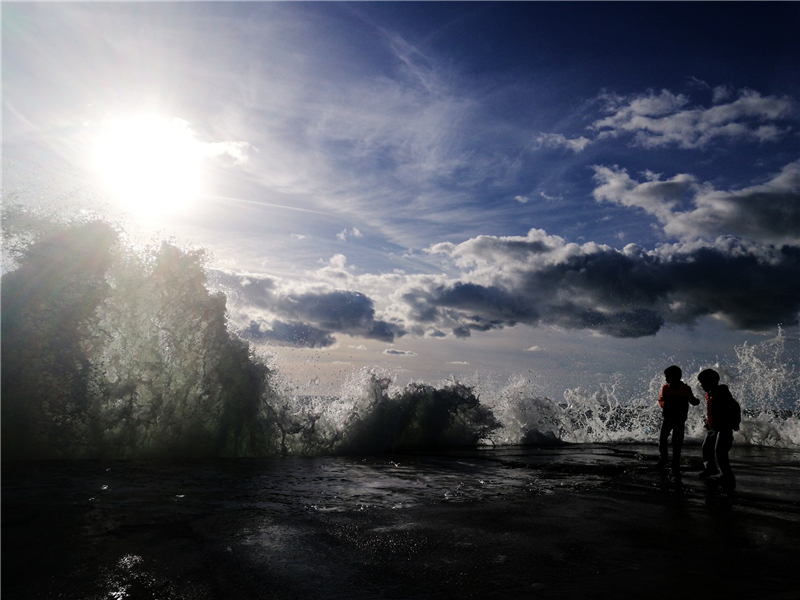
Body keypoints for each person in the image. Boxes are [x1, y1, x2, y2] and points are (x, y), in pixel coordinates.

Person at [656, 365, 700, 475]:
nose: (666, 379)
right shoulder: (665, 388)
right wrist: (663, 404)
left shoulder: (685, 389)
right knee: (662, 439)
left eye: (667, 377)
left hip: (680, 419)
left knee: (677, 442)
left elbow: (692, 400)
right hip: (667, 418)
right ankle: (664, 458)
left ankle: (675, 463)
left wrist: (697, 401)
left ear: (676, 377)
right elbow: (661, 400)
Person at [697, 368, 737, 489]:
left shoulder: (722, 393)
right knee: (706, 447)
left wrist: (735, 421)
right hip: (713, 427)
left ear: (712, 381)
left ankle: (727, 474)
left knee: (720, 451)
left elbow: (735, 406)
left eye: (703, 382)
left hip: (724, 427)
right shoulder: (709, 394)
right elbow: (711, 411)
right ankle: (710, 469)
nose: (701, 385)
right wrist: (707, 422)